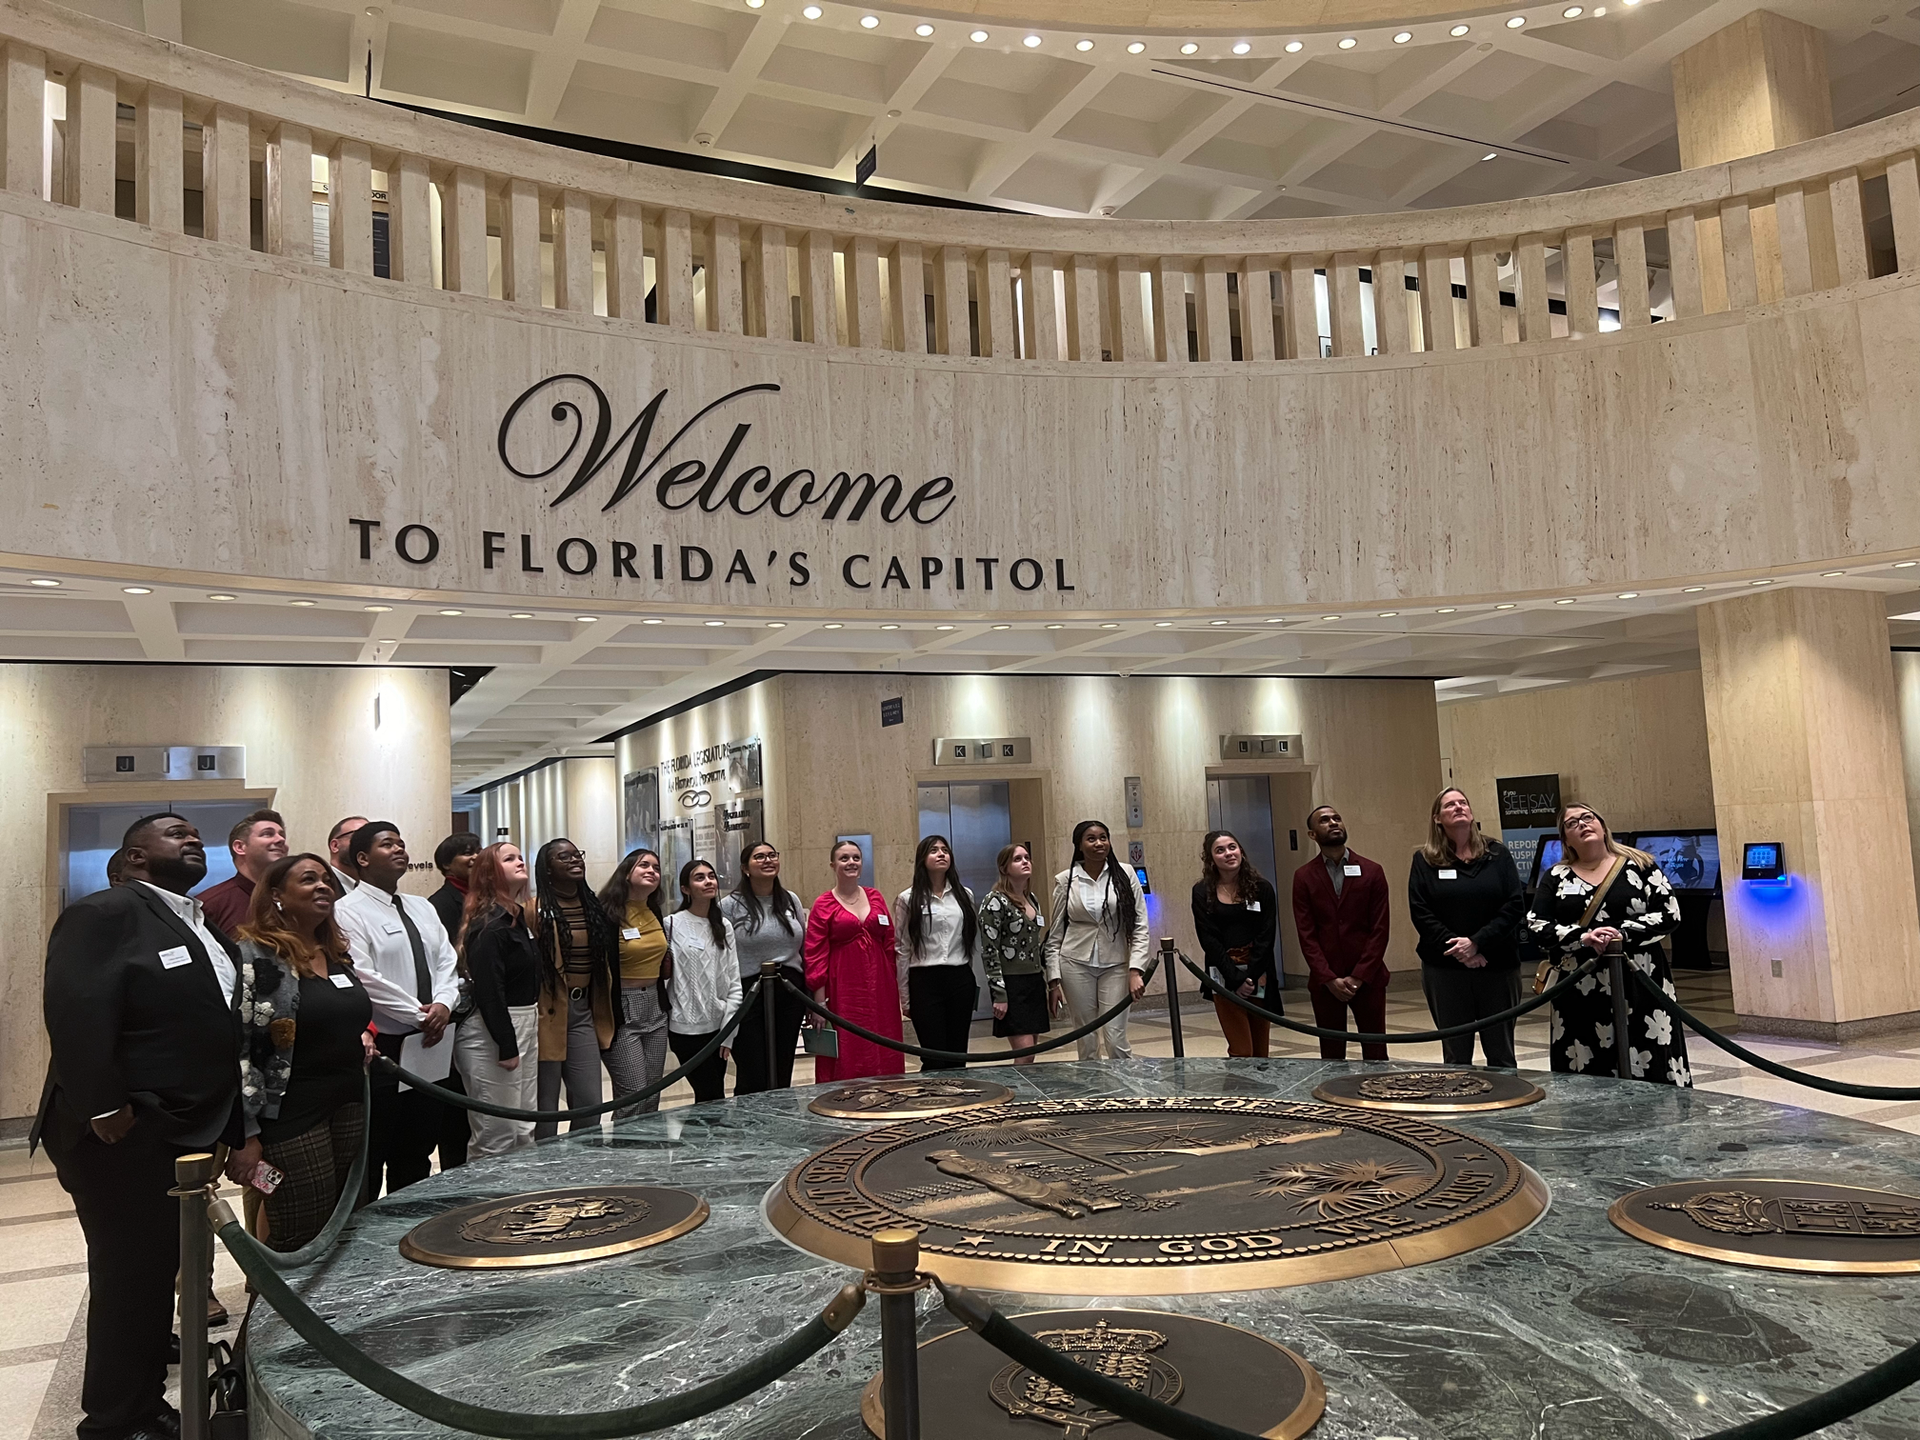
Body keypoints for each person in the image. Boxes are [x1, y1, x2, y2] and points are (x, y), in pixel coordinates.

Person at [33, 812, 242, 1440]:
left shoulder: (192, 921)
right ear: (134, 855)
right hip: (120, 1132)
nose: (192, 838)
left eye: (194, 832)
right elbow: (75, 1010)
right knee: (129, 1278)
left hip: (175, 1127)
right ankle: (116, 1422)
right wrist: (103, 1105)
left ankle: (145, 1401)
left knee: (152, 1276)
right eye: (174, 831)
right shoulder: (107, 913)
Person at [225, 854, 375, 1250]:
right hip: (289, 1114)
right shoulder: (253, 956)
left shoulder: (336, 952)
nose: (323, 886)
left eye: (327, 879)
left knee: (346, 1221)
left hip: (349, 1103)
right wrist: (246, 1134)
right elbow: (239, 1048)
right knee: (300, 1227)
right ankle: (278, 1306)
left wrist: (358, 1035)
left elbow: (340, 1015)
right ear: (277, 895)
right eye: (309, 879)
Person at [333, 822, 460, 1197]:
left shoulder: (421, 907)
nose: (399, 850)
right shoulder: (347, 911)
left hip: (430, 1044)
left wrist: (444, 1004)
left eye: (401, 843)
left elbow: (446, 962)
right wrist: (420, 1015)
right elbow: (364, 976)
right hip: (386, 1047)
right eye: (387, 844)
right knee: (374, 1152)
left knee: (417, 1150)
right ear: (362, 858)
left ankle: (408, 1227)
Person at [1527, 803, 1692, 1087]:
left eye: (1588, 818)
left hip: (1641, 980)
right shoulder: (1556, 876)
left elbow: (1669, 913)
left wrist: (1620, 933)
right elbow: (1537, 923)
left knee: (1648, 1049)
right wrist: (1582, 937)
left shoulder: (1641, 865)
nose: (1582, 824)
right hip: (1579, 985)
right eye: (1571, 823)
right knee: (1585, 1053)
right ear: (1565, 839)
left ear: (1603, 826)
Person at [1408, 788, 1530, 1068]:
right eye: (1450, 805)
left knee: (1500, 1051)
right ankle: (1461, 1105)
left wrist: (1476, 942)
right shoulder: (1424, 860)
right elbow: (1421, 912)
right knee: (1456, 1053)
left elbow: (1514, 905)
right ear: (1437, 818)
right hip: (1446, 968)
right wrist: (1460, 948)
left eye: (1463, 802)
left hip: (1497, 965)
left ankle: (1505, 1107)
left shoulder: (1497, 854)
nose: (1459, 807)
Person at [455, 842, 542, 1156]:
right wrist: (507, 1045)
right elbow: (490, 990)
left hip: (526, 1019)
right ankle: (487, 1202)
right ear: (491, 874)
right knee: (497, 1133)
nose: (520, 862)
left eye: (520, 857)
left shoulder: (518, 919)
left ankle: (520, 1199)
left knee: (523, 1126)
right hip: (495, 1028)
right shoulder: (491, 925)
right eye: (510, 859)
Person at [533, 837, 621, 1138]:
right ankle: (544, 1171)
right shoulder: (535, 909)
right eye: (564, 857)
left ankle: (581, 1166)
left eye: (577, 855)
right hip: (547, 1015)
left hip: (583, 1011)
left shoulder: (592, 905)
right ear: (546, 869)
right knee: (545, 1106)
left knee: (589, 1102)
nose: (574, 861)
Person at [1293, 805, 1393, 1062]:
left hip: (1368, 978)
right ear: (1312, 834)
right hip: (1326, 983)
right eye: (1324, 820)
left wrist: (1359, 976)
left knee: (1375, 1052)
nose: (1333, 823)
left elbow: (1380, 929)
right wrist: (1327, 978)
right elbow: (1307, 934)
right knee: (1332, 1054)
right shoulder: (1303, 877)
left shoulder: (1372, 871)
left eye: (1337, 818)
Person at [1044, 820, 1149, 1061]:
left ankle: (1125, 1091)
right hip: (1075, 963)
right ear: (1079, 845)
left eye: (1103, 837)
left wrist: (1136, 969)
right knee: (1086, 1038)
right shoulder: (1065, 880)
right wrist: (1053, 981)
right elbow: (1055, 933)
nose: (1099, 843)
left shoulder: (1126, 873)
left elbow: (1141, 925)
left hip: (1116, 964)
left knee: (1115, 1036)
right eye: (1091, 839)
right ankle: (1093, 1093)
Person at [802, 839, 905, 1083]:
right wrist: (820, 1003)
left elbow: (889, 943)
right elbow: (815, 954)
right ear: (832, 865)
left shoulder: (876, 897)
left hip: (880, 987)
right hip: (843, 988)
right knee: (849, 1044)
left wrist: (895, 987)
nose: (851, 863)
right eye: (844, 858)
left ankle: (888, 1090)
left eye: (856, 858)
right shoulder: (823, 903)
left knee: (883, 1040)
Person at [722, 841, 808, 1093]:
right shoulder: (729, 905)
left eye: (772, 855)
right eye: (759, 857)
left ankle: (783, 1121)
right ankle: (752, 1123)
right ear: (745, 868)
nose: (768, 860)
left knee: (783, 1064)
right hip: (748, 991)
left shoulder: (790, 900)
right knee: (753, 1069)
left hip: (789, 990)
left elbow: (802, 947)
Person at [895, 835, 982, 1069]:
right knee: (933, 1054)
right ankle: (935, 1101)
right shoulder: (908, 898)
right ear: (922, 859)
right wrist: (904, 996)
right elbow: (902, 948)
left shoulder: (966, 895)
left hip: (959, 978)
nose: (941, 854)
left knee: (957, 1053)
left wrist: (969, 979)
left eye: (945, 850)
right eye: (934, 850)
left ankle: (959, 1101)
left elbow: (968, 942)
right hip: (924, 980)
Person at [597, 848, 673, 1116]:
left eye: (655, 867)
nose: (652, 871)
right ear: (626, 872)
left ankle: (648, 1154)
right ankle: (624, 1152)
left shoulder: (653, 910)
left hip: (655, 1005)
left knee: (652, 1090)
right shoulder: (607, 912)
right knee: (633, 1093)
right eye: (644, 865)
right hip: (621, 1009)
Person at [1191, 830, 1279, 1058]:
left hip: (1259, 973)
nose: (1228, 853)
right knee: (1242, 1049)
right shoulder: (1201, 892)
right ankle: (1241, 1092)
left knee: (1260, 1049)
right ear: (1211, 859)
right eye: (1220, 850)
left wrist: (1250, 976)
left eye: (1232, 847)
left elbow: (1267, 935)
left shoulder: (1263, 888)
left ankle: (1262, 1093)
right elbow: (1208, 938)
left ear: (1241, 851)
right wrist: (1235, 978)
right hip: (1223, 975)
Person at [423, 832, 482, 1171]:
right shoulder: (441, 903)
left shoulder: (486, 899)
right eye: (465, 854)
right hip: (457, 1012)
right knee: (455, 1106)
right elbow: (446, 962)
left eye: (477, 851)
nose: (474, 858)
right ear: (447, 865)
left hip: (480, 1013)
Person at [664, 859, 743, 1103]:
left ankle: (707, 1140)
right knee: (708, 1093)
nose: (708, 881)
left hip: (718, 1028)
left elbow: (733, 981)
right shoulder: (671, 924)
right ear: (685, 889)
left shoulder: (724, 925)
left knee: (712, 1097)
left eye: (711, 876)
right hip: (684, 1029)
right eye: (699, 877)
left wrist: (728, 1031)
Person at [978, 842, 1050, 1063]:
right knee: (1024, 1052)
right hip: (1012, 983)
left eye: (1027, 857)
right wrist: (999, 993)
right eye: (1017, 859)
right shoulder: (995, 901)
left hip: (1034, 981)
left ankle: (1026, 1093)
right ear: (1004, 867)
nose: (1025, 862)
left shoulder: (1033, 899)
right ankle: (1018, 1094)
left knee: (1031, 1054)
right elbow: (990, 950)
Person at [197, 808, 289, 935]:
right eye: (267, 834)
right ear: (240, 847)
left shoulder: (294, 898)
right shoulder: (210, 905)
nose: (281, 840)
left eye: (282, 835)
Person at [429, 832, 482, 936]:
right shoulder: (439, 903)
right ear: (446, 864)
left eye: (479, 852)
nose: (476, 857)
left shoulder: (489, 893)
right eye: (467, 853)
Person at [325, 814, 367, 894]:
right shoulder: (321, 885)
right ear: (335, 846)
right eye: (360, 837)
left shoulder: (373, 889)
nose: (367, 844)